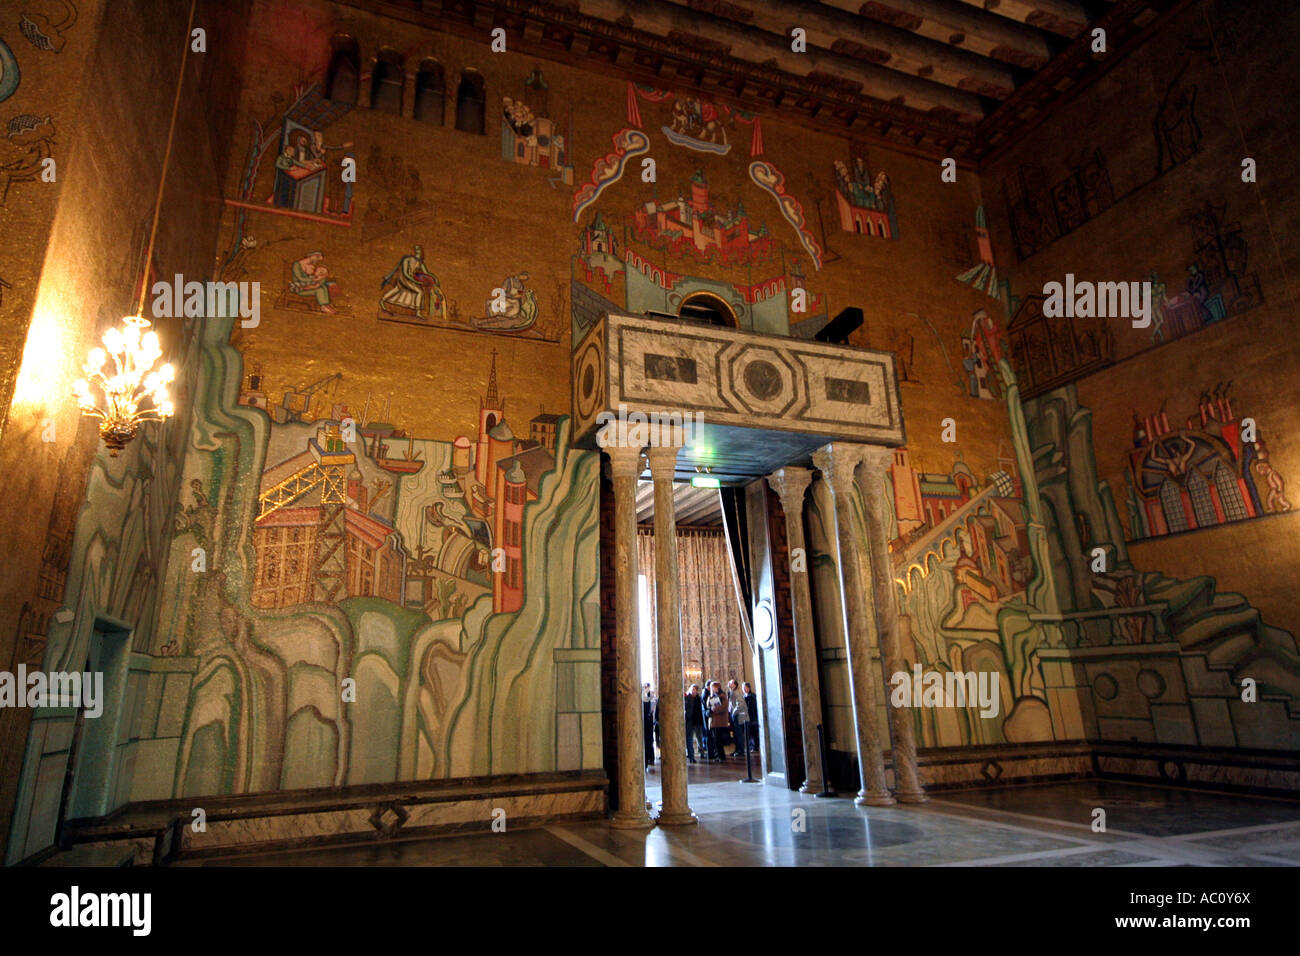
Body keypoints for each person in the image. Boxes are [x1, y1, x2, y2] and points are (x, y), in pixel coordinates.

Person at [705, 682, 730, 763]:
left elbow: (724, 707)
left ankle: (721, 756)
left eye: (713, 687)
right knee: (715, 740)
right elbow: (708, 706)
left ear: (717, 687)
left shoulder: (723, 696)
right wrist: (709, 708)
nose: (712, 689)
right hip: (713, 721)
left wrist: (714, 709)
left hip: (720, 721)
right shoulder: (711, 696)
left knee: (718, 740)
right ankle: (717, 755)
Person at [727, 679, 749, 757]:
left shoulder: (737, 693)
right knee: (736, 734)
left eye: (731, 683)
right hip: (734, 716)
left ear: (735, 685)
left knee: (739, 734)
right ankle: (737, 749)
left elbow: (740, 704)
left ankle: (741, 751)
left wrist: (733, 712)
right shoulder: (731, 692)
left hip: (738, 716)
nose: (729, 684)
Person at [684, 684, 706, 764]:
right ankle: (691, 755)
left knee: (699, 737)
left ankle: (701, 752)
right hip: (689, 721)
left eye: (695, 690)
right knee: (689, 739)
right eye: (692, 689)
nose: (694, 691)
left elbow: (701, 709)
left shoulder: (699, 699)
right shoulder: (686, 698)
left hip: (697, 721)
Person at [743, 681, 759, 754]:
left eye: (745, 688)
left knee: (753, 733)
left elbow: (753, 707)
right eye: (743, 688)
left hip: (752, 717)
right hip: (746, 717)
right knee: (748, 733)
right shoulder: (744, 696)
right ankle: (750, 746)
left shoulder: (752, 696)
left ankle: (755, 747)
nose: (744, 689)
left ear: (749, 688)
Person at [643, 683, 656, 770]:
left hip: (648, 722)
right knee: (647, 741)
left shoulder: (651, 696)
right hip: (645, 721)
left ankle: (650, 758)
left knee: (649, 741)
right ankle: (646, 760)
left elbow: (652, 709)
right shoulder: (642, 696)